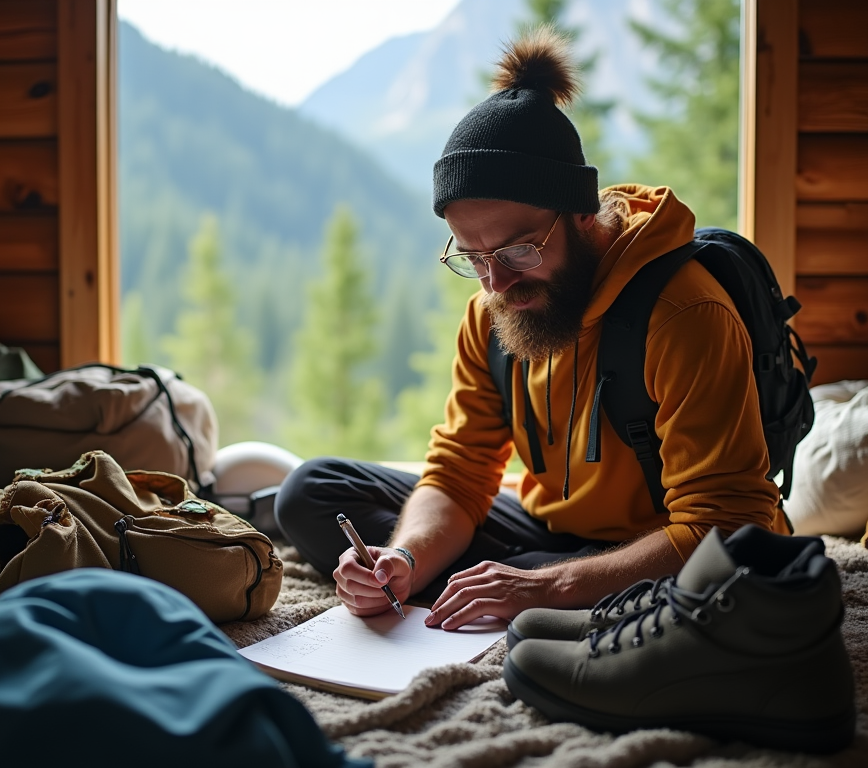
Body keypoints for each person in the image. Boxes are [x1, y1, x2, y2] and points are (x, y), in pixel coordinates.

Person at [274, 26, 787, 630]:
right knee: (309, 491)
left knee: (699, 575)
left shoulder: (684, 315)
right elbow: (461, 471)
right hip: (548, 528)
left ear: (583, 216)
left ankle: (540, 585)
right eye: (472, 256)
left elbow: (727, 521)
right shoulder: (492, 313)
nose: (496, 283)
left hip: (664, 544)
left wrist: (549, 583)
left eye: (519, 250)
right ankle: (500, 580)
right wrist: (405, 556)